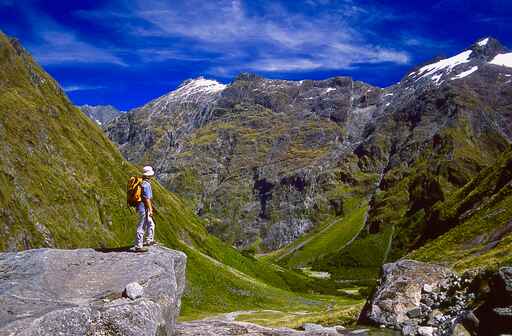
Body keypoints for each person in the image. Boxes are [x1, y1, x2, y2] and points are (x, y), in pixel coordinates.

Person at [130, 166, 156, 252]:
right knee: (142, 225)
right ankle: (138, 246)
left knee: (150, 223)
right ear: (149, 175)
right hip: (143, 207)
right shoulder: (146, 184)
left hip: (141, 206)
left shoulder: (142, 182)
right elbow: (147, 198)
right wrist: (150, 209)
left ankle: (149, 240)